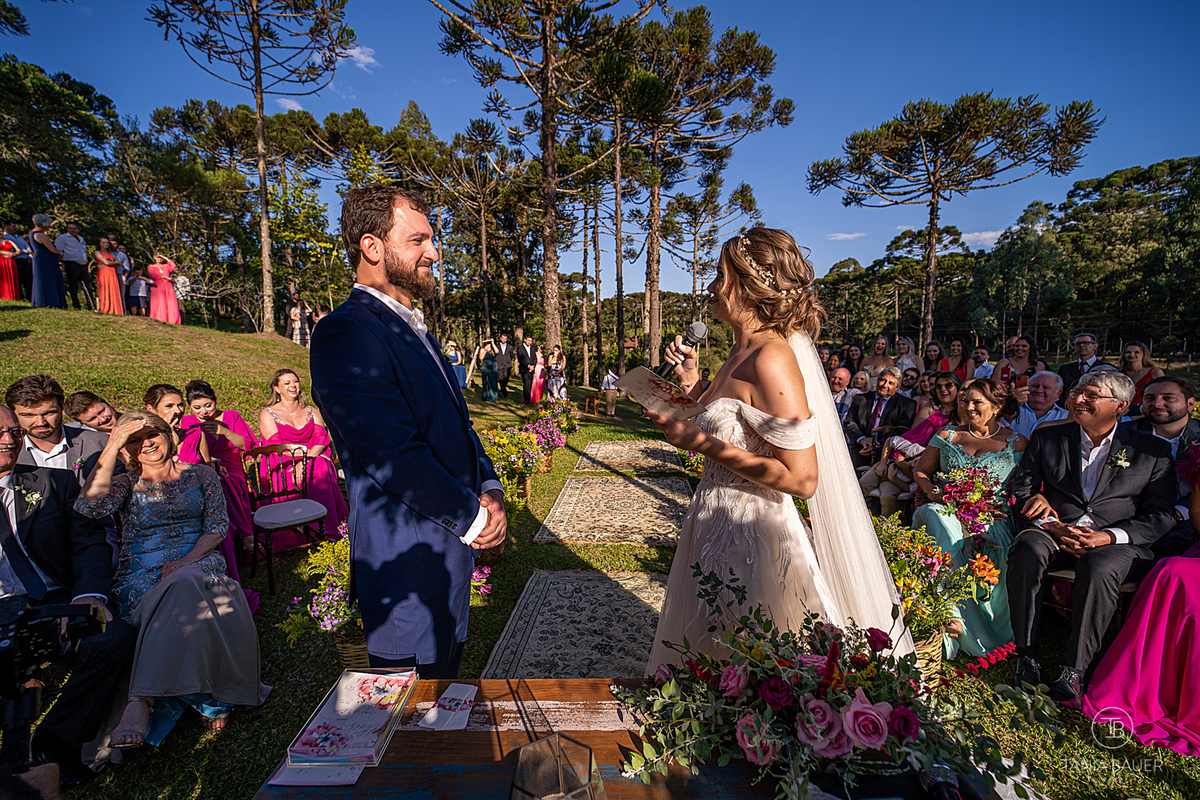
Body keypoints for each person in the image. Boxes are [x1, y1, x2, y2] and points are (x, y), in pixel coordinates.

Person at [645, 228, 910, 673]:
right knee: (707, 658)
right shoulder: (736, 351)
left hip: (753, 537)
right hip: (711, 521)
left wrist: (700, 444)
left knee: (756, 665)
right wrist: (690, 381)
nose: (711, 286)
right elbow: (725, 422)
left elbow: (803, 479)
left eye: (720, 275)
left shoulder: (771, 358)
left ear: (749, 284)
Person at [310, 184, 506, 678]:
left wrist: (490, 488)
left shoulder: (417, 328)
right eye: (418, 241)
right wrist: (474, 519)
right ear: (372, 247)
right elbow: (391, 453)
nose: (434, 253)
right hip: (406, 569)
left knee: (442, 690)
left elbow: (458, 427)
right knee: (405, 720)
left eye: (431, 241)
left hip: (449, 556)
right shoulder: (346, 331)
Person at [75, 411, 269, 749]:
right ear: (126, 449)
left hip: (198, 558)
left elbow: (217, 528)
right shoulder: (125, 483)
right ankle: (212, 700)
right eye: (134, 440)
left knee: (190, 582)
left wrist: (185, 561)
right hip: (140, 574)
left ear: (170, 437)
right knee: (190, 593)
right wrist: (112, 445)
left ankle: (140, 700)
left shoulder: (202, 475)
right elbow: (89, 507)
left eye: (153, 434)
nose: (146, 443)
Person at [1008, 371, 1176, 704]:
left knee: (1099, 566)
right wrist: (1051, 523)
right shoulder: (1049, 437)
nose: (1078, 399)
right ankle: (1026, 656)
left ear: (1120, 405)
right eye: (1077, 392)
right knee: (1027, 548)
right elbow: (1023, 490)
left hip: (1115, 543)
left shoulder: (1152, 450)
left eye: (1091, 394)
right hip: (1055, 530)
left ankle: (1074, 671)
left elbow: (1161, 515)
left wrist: (1107, 537)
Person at [0, 406, 136, 789]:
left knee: (113, 639)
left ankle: (55, 742)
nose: (8, 440)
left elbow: (88, 543)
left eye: (13, 432)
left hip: (50, 600)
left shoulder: (53, 483)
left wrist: (87, 596)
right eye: (0, 432)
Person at [912, 380, 1026, 658]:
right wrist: (934, 493)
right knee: (931, 514)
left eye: (977, 403)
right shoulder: (948, 435)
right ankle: (946, 619)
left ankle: (972, 625)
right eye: (966, 402)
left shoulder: (1017, 442)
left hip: (992, 520)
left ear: (997, 407)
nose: (969, 407)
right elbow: (921, 471)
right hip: (947, 511)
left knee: (941, 524)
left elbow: (1028, 485)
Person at [179, 381, 261, 589]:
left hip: (232, 467)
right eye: (197, 407)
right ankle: (240, 534)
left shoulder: (231, 416)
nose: (204, 411)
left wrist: (224, 432)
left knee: (226, 483)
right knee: (215, 483)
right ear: (189, 407)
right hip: (204, 467)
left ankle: (242, 534)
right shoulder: (187, 421)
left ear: (215, 401)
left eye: (208, 405)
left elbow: (247, 445)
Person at [258, 369, 350, 539]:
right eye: (287, 383)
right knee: (317, 466)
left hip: (313, 457)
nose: (293, 386)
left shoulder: (312, 411)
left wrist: (305, 461)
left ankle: (325, 527)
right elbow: (277, 446)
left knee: (321, 465)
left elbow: (321, 440)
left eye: (295, 382)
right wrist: (296, 461)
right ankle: (302, 525)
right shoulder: (268, 414)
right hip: (284, 461)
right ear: (277, 388)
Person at [862, 371, 961, 515]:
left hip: (917, 472)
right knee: (858, 489)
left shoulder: (963, 422)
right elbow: (902, 439)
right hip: (897, 461)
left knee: (887, 496)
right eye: (939, 386)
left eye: (949, 385)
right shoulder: (934, 419)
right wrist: (895, 461)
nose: (943, 389)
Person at [1127, 376, 1199, 560]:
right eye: (1150, 398)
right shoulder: (1124, 434)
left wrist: (1180, 512)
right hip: (1134, 516)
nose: (1157, 403)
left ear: (1190, 404)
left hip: (1188, 518)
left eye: (1169, 398)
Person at [8, 375, 109, 483]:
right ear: (12, 414)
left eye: (49, 413)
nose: (41, 422)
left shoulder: (100, 443)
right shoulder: (6, 452)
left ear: (62, 407)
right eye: (28, 415)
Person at [844, 366, 917, 467]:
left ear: (897, 387)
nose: (885, 385)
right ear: (877, 380)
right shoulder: (860, 399)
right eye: (883, 380)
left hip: (886, 454)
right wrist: (862, 439)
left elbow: (901, 431)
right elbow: (849, 422)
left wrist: (876, 447)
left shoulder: (907, 405)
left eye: (891, 383)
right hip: (858, 448)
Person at [29, 215, 66, 309]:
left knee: (41, 279)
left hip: (41, 259)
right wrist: (59, 252)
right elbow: (52, 249)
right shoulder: (40, 234)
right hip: (45, 260)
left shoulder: (32, 233)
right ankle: (49, 301)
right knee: (47, 280)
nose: (49, 226)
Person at [1056, 332, 1107, 397]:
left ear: (1095, 346)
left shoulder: (1106, 368)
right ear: (1074, 347)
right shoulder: (1064, 369)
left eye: (1086, 343)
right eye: (1078, 343)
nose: (1081, 345)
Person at [54, 222, 90, 310]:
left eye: (74, 228)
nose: (72, 230)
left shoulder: (81, 239)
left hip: (82, 264)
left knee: (87, 285)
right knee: (73, 285)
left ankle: (90, 304)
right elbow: (59, 251)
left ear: (78, 229)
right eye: (70, 228)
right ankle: (76, 305)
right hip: (71, 262)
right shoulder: (63, 238)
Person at [1118, 341, 1164, 405]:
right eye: (1128, 352)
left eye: (1136, 352)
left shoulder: (1155, 373)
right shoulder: (1119, 374)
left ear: (1143, 354)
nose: (1132, 355)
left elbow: (1163, 392)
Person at [93, 239, 125, 315]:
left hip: (112, 272)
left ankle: (115, 309)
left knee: (113, 288)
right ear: (99, 243)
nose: (106, 244)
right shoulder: (97, 252)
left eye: (107, 242)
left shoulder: (110, 253)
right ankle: (104, 307)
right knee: (104, 288)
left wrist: (110, 263)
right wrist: (111, 263)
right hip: (104, 272)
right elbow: (106, 262)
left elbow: (119, 263)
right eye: (103, 242)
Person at [4, 220, 34, 301]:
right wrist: (26, 252)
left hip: (26, 260)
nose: (15, 228)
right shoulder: (6, 238)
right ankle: (20, 298)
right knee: (18, 280)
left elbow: (27, 247)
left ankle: (31, 298)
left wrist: (30, 256)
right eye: (13, 226)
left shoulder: (18, 237)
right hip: (17, 260)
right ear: (6, 226)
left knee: (29, 280)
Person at [147, 254, 181, 325]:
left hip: (167, 286)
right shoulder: (151, 267)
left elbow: (173, 266)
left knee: (169, 302)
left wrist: (166, 258)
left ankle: (171, 319)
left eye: (161, 258)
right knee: (159, 302)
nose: (160, 259)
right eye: (158, 257)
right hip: (157, 286)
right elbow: (152, 276)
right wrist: (165, 277)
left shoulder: (166, 266)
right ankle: (159, 318)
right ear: (154, 257)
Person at [517, 335, 538, 404]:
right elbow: (520, 359)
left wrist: (533, 366)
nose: (529, 342)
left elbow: (534, 359)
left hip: (531, 370)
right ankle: (526, 400)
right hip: (524, 369)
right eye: (528, 340)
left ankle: (528, 400)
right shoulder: (520, 348)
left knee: (530, 385)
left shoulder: (532, 349)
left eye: (531, 341)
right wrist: (528, 366)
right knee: (526, 384)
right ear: (525, 340)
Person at [495, 333, 514, 399]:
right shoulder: (496, 346)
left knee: (506, 378)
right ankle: (504, 392)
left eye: (505, 339)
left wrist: (508, 360)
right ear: (500, 338)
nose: (504, 340)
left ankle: (502, 391)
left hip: (507, 365)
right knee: (500, 378)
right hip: (499, 364)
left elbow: (512, 355)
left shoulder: (510, 347)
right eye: (502, 338)